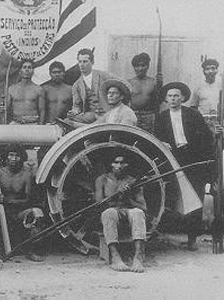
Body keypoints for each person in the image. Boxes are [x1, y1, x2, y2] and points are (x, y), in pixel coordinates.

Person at [154, 82, 215, 250]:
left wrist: (203, 157)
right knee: (175, 195)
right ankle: (169, 233)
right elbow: (156, 138)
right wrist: (162, 143)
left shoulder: (193, 115)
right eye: (170, 96)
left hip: (192, 157)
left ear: (182, 98)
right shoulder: (161, 118)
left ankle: (192, 238)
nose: (173, 99)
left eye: (176, 96)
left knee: (195, 195)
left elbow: (206, 137)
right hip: (172, 158)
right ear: (166, 99)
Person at [95, 154, 146, 273]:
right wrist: (116, 193)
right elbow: (98, 205)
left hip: (128, 210)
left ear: (126, 165)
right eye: (115, 163)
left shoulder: (132, 181)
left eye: (122, 163)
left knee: (138, 213)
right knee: (109, 213)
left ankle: (138, 257)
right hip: (111, 211)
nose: (118, 166)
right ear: (110, 164)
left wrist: (128, 197)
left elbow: (143, 207)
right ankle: (115, 257)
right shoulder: (102, 180)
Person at [0, 145, 45, 261]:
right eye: (11, 155)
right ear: (6, 157)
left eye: (17, 156)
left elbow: (28, 200)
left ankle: (30, 250)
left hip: (19, 211)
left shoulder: (26, 175)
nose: (13, 158)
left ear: (22, 158)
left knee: (37, 214)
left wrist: (8, 201)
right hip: (2, 212)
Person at [66, 48, 113, 126]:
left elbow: (122, 85)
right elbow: (77, 106)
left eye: (85, 61)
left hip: (107, 113)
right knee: (67, 121)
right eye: (80, 61)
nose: (81, 64)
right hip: (91, 115)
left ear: (92, 62)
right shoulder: (77, 85)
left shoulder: (103, 76)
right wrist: (73, 112)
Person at [128, 53, 161, 133]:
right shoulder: (129, 83)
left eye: (143, 65)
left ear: (148, 66)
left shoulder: (153, 82)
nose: (140, 68)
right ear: (134, 67)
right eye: (137, 66)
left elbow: (159, 102)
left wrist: (159, 87)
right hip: (133, 116)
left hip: (149, 117)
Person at [7, 59, 45, 124]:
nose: (27, 70)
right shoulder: (11, 89)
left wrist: (40, 125)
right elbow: (6, 109)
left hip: (33, 124)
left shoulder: (39, 89)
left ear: (33, 71)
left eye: (29, 67)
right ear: (20, 71)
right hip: (16, 123)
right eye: (24, 67)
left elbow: (42, 110)